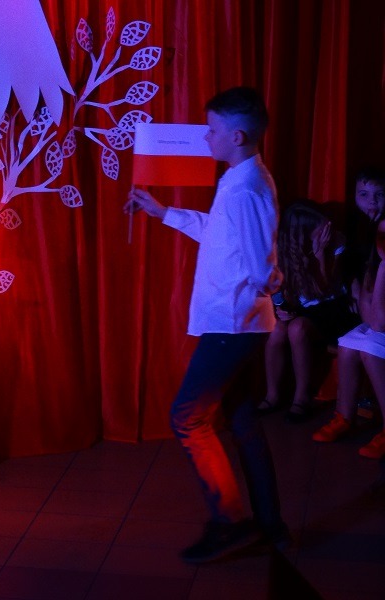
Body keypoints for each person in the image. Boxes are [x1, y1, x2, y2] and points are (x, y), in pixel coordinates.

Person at [124, 86, 288, 563]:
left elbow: (259, 266)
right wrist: (163, 212)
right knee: (242, 420)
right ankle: (269, 527)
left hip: (233, 323)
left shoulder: (247, 188)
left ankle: (231, 523)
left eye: (212, 129)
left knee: (188, 417)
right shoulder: (240, 179)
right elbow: (222, 237)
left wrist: (274, 285)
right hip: (239, 321)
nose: (205, 136)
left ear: (236, 136)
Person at [258, 201, 359, 422]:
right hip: (304, 309)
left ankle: (302, 398)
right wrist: (280, 308)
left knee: (297, 328)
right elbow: (277, 288)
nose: (327, 231)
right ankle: (272, 395)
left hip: (332, 309)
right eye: (321, 229)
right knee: (277, 330)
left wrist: (320, 255)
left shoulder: (336, 242)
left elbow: (326, 289)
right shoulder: (283, 248)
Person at [313, 207, 385, 459]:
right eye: (382, 236)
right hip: (379, 323)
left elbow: (379, 323)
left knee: (371, 350)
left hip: (382, 326)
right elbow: (369, 315)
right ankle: (344, 416)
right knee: (347, 344)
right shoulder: (372, 264)